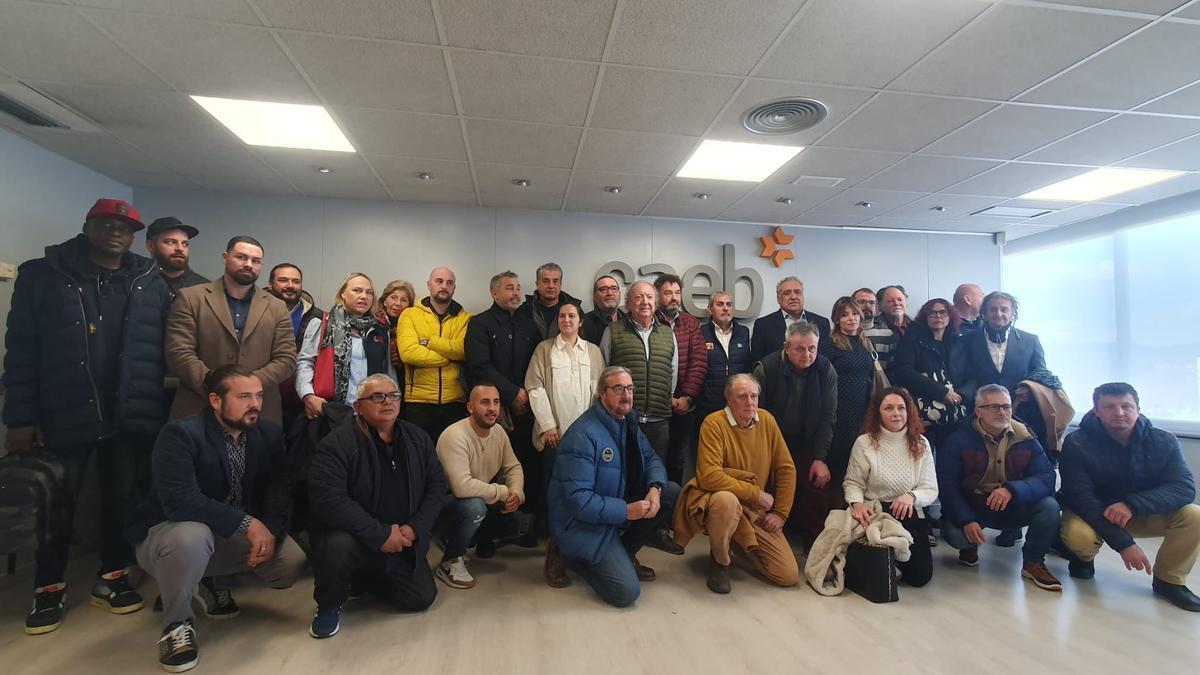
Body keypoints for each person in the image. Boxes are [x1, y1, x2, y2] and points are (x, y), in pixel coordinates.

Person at [4, 198, 172, 635]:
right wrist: (19, 417)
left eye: (126, 225)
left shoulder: (147, 281)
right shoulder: (43, 275)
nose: (117, 231)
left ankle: (112, 577)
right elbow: (20, 351)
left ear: (135, 235)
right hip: (63, 410)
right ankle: (48, 587)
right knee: (57, 501)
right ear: (88, 224)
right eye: (108, 223)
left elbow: (160, 351)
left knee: (123, 497)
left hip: (128, 411)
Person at [128, 365, 305, 672]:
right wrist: (248, 524)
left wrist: (270, 533)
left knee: (287, 562)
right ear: (215, 400)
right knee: (191, 537)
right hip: (169, 532)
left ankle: (211, 581)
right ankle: (177, 626)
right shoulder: (180, 435)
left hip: (225, 534)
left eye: (259, 396)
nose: (255, 404)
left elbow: (280, 491)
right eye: (244, 396)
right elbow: (179, 502)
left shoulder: (269, 434)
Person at [307, 374, 450, 639]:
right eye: (377, 397)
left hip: (402, 539)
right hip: (358, 537)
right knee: (338, 546)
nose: (388, 402)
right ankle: (328, 605)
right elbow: (329, 499)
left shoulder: (417, 438)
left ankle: (363, 580)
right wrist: (380, 534)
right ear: (358, 407)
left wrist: (415, 528)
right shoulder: (336, 444)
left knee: (421, 599)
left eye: (394, 396)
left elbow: (437, 487)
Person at [1059, 382, 1200, 611]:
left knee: (1194, 515)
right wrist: (1124, 544)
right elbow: (1080, 497)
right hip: (1093, 513)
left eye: (1126, 406)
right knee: (1079, 538)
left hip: (1138, 512)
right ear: (1096, 410)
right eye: (1110, 407)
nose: (1119, 413)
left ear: (1138, 408)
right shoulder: (1077, 444)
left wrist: (1131, 505)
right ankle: (1083, 559)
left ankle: (1169, 581)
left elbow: (1183, 488)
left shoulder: (1163, 441)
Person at [547, 367, 680, 607]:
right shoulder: (583, 435)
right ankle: (566, 553)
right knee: (626, 593)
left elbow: (651, 458)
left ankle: (624, 553)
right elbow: (579, 501)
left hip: (613, 509)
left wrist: (654, 488)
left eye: (630, 388)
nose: (626, 395)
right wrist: (627, 511)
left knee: (670, 491)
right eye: (618, 389)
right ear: (602, 395)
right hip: (582, 522)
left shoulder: (626, 421)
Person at [676, 374, 799, 594]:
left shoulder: (767, 421)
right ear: (729, 400)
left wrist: (781, 513)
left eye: (754, 396)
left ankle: (737, 543)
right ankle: (720, 561)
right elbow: (709, 476)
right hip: (719, 502)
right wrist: (755, 493)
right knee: (726, 499)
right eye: (742, 396)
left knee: (787, 575)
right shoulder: (714, 423)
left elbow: (786, 469)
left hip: (753, 510)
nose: (750, 402)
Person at [937, 384, 1064, 592]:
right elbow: (947, 485)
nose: (1002, 412)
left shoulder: (1026, 437)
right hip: (975, 505)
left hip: (1012, 503)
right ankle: (969, 546)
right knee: (958, 536)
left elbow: (1046, 477)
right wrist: (966, 520)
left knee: (1049, 506)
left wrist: (1012, 490)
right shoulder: (958, 439)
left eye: (1006, 406)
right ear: (978, 411)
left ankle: (1034, 562)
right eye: (994, 407)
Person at [166, 236, 297, 424]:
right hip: (200, 405)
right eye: (241, 257)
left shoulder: (277, 307)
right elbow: (178, 352)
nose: (249, 264)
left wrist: (247, 387)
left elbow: (287, 359)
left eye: (256, 261)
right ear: (225, 257)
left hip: (258, 411)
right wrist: (218, 386)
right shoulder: (191, 298)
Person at [526, 301, 606, 587]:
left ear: (580, 321)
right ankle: (555, 550)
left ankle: (582, 545)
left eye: (572, 315)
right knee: (557, 492)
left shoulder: (594, 352)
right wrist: (548, 425)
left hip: (587, 438)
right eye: (562, 316)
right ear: (557, 321)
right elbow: (534, 388)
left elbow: (600, 394)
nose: (567, 319)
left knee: (586, 490)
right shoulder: (544, 350)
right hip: (555, 437)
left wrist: (596, 430)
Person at [464, 272, 540, 541]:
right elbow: (479, 366)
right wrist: (511, 394)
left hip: (525, 411)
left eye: (518, 288)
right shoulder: (479, 324)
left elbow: (536, 366)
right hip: (492, 412)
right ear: (494, 293)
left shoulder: (529, 326)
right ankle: (486, 535)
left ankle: (521, 529)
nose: (516, 293)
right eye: (510, 288)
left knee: (522, 467)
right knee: (489, 472)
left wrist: (526, 395)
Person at [434, 384, 527, 589]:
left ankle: (467, 540)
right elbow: (462, 487)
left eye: (496, 402)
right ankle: (450, 558)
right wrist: (503, 491)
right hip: (445, 506)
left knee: (520, 524)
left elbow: (513, 467)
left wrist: (516, 493)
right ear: (470, 407)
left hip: (476, 498)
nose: (492, 408)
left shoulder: (499, 432)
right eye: (485, 402)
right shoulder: (455, 436)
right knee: (474, 506)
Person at [843, 387, 938, 587]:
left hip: (908, 511)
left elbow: (930, 488)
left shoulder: (921, 443)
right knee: (872, 578)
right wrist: (857, 504)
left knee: (920, 577)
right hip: (874, 511)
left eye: (901, 408)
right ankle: (883, 559)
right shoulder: (864, 443)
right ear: (878, 413)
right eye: (889, 408)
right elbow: (853, 482)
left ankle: (893, 559)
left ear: (908, 412)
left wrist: (911, 496)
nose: (896, 413)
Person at [752, 322, 837, 544]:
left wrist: (820, 458)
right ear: (786, 347)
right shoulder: (766, 368)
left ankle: (814, 544)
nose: (807, 354)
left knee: (817, 482)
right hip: (770, 442)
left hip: (807, 440)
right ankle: (767, 539)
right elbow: (755, 416)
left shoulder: (826, 369)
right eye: (800, 349)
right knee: (768, 486)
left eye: (812, 348)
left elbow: (828, 416)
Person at [295, 273, 393, 417]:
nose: (364, 296)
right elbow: (305, 363)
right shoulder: (323, 324)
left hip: (370, 412)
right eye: (357, 290)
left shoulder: (379, 329)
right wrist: (308, 396)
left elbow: (388, 371)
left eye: (369, 292)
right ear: (343, 294)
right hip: (329, 410)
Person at [599, 281, 678, 458]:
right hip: (623, 418)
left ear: (656, 303)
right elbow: (603, 371)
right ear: (628, 303)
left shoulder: (668, 333)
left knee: (655, 470)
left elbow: (673, 372)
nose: (645, 301)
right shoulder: (612, 331)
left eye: (650, 297)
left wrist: (666, 397)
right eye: (639, 297)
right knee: (623, 472)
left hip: (659, 421)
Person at [396, 266, 472, 441]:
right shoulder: (409, 315)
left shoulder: (466, 318)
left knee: (451, 458)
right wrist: (447, 356)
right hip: (418, 402)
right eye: (439, 281)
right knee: (419, 456)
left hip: (455, 401)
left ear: (454, 288)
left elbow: (463, 350)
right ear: (429, 285)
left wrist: (429, 342)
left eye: (449, 282)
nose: (444, 286)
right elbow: (408, 353)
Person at [819, 297, 878, 513]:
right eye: (844, 315)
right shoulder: (829, 344)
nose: (851, 318)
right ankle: (832, 517)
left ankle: (855, 514)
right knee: (839, 465)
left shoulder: (865, 343)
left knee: (859, 465)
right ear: (836, 319)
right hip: (838, 412)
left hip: (862, 413)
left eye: (854, 313)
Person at [889, 298, 968, 452]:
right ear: (925, 317)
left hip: (957, 412)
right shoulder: (911, 341)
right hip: (926, 416)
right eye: (932, 313)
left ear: (950, 316)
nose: (938, 316)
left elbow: (971, 376)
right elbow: (904, 372)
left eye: (942, 312)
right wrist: (942, 393)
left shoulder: (959, 343)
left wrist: (961, 396)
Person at [654, 273, 708, 491]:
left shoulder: (690, 323)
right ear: (657, 296)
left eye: (677, 293)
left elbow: (699, 362)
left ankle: (673, 514)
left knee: (678, 460)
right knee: (654, 460)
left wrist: (686, 397)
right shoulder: (649, 321)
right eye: (668, 293)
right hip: (655, 406)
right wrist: (663, 399)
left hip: (684, 408)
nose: (674, 298)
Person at [694, 291, 752, 480]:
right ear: (710, 309)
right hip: (708, 405)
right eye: (720, 304)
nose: (725, 308)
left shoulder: (743, 332)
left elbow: (748, 367)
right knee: (710, 461)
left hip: (737, 406)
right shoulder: (700, 332)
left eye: (729, 304)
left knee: (736, 459)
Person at [750, 276, 830, 363]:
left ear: (802, 296)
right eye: (787, 293)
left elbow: (827, 358)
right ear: (778, 299)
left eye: (797, 292)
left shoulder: (822, 323)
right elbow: (757, 362)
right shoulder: (763, 325)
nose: (793, 297)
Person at [145, 216, 207, 301]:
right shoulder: (137, 282)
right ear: (150, 246)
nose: (180, 248)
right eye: (171, 242)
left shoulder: (203, 288)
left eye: (185, 244)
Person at [264, 263, 322, 350]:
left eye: (296, 282)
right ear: (270, 284)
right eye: (283, 280)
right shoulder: (253, 311)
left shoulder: (317, 317)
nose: (290, 285)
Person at [521, 262, 582, 340]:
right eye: (546, 281)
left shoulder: (575, 310)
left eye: (555, 281)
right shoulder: (525, 310)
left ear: (560, 284)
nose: (551, 286)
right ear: (537, 284)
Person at [376, 279, 416, 380]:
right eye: (393, 298)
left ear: (409, 306)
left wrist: (401, 363)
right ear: (385, 301)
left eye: (403, 300)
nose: (397, 303)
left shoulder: (413, 329)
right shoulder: (373, 325)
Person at [869, 285, 911, 369]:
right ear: (880, 305)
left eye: (900, 299)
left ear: (906, 302)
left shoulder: (917, 327)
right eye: (890, 301)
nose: (896, 303)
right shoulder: (871, 328)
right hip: (883, 378)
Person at [581, 275, 622, 344]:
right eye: (603, 289)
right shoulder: (583, 324)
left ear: (619, 294)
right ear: (595, 296)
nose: (610, 293)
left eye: (614, 288)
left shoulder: (630, 321)